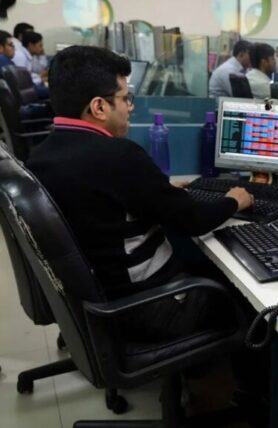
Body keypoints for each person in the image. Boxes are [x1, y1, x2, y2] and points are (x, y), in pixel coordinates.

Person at [26, 46, 255, 339]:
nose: (130, 107)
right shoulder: (118, 156)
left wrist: (156, 190)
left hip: (96, 303)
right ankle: (232, 365)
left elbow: (100, 202)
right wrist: (234, 200)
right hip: (146, 306)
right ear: (99, 107)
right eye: (124, 99)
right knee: (245, 300)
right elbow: (193, 220)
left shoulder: (39, 156)